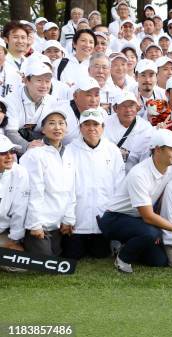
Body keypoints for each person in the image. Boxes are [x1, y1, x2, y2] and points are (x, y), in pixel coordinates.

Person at [98, 129, 172, 273]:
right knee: (150, 233)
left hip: (139, 220)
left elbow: (162, 199)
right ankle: (122, 260)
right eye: (171, 149)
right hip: (115, 219)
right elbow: (148, 216)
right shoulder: (139, 174)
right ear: (157, 150)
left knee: (159, 261)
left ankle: (126, 244)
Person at [62, 108, 125, 260]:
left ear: (103, 127)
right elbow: (66, 186)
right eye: (87, 124)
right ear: (80, 128)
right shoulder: (70, 150)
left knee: (101, 254)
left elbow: (120, 185)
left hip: (103, 220)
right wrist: (68, 217)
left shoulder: (112, 150)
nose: (91, 128)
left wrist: (115, 217)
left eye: (96, 124)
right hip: (77, 220)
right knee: (73, 254)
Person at [21, 109, 76, 257]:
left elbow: (71, 189)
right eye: (51, 123)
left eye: (61, 123)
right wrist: (35, 225)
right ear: (43, 130)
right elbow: (33, 192)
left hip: (56, 223)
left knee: (60, 255)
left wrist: (68, 219)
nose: (57, 128)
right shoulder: (35, 154)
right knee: (46, 261)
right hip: (38, 222)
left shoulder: (69, 154)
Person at [0, 135, 29, 256]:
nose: (9, 156)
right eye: (2, 153)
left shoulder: (20, 172)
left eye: (12, 151)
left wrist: (14, 239)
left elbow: (20, 208)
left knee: (17, 260)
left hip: (4, 230)